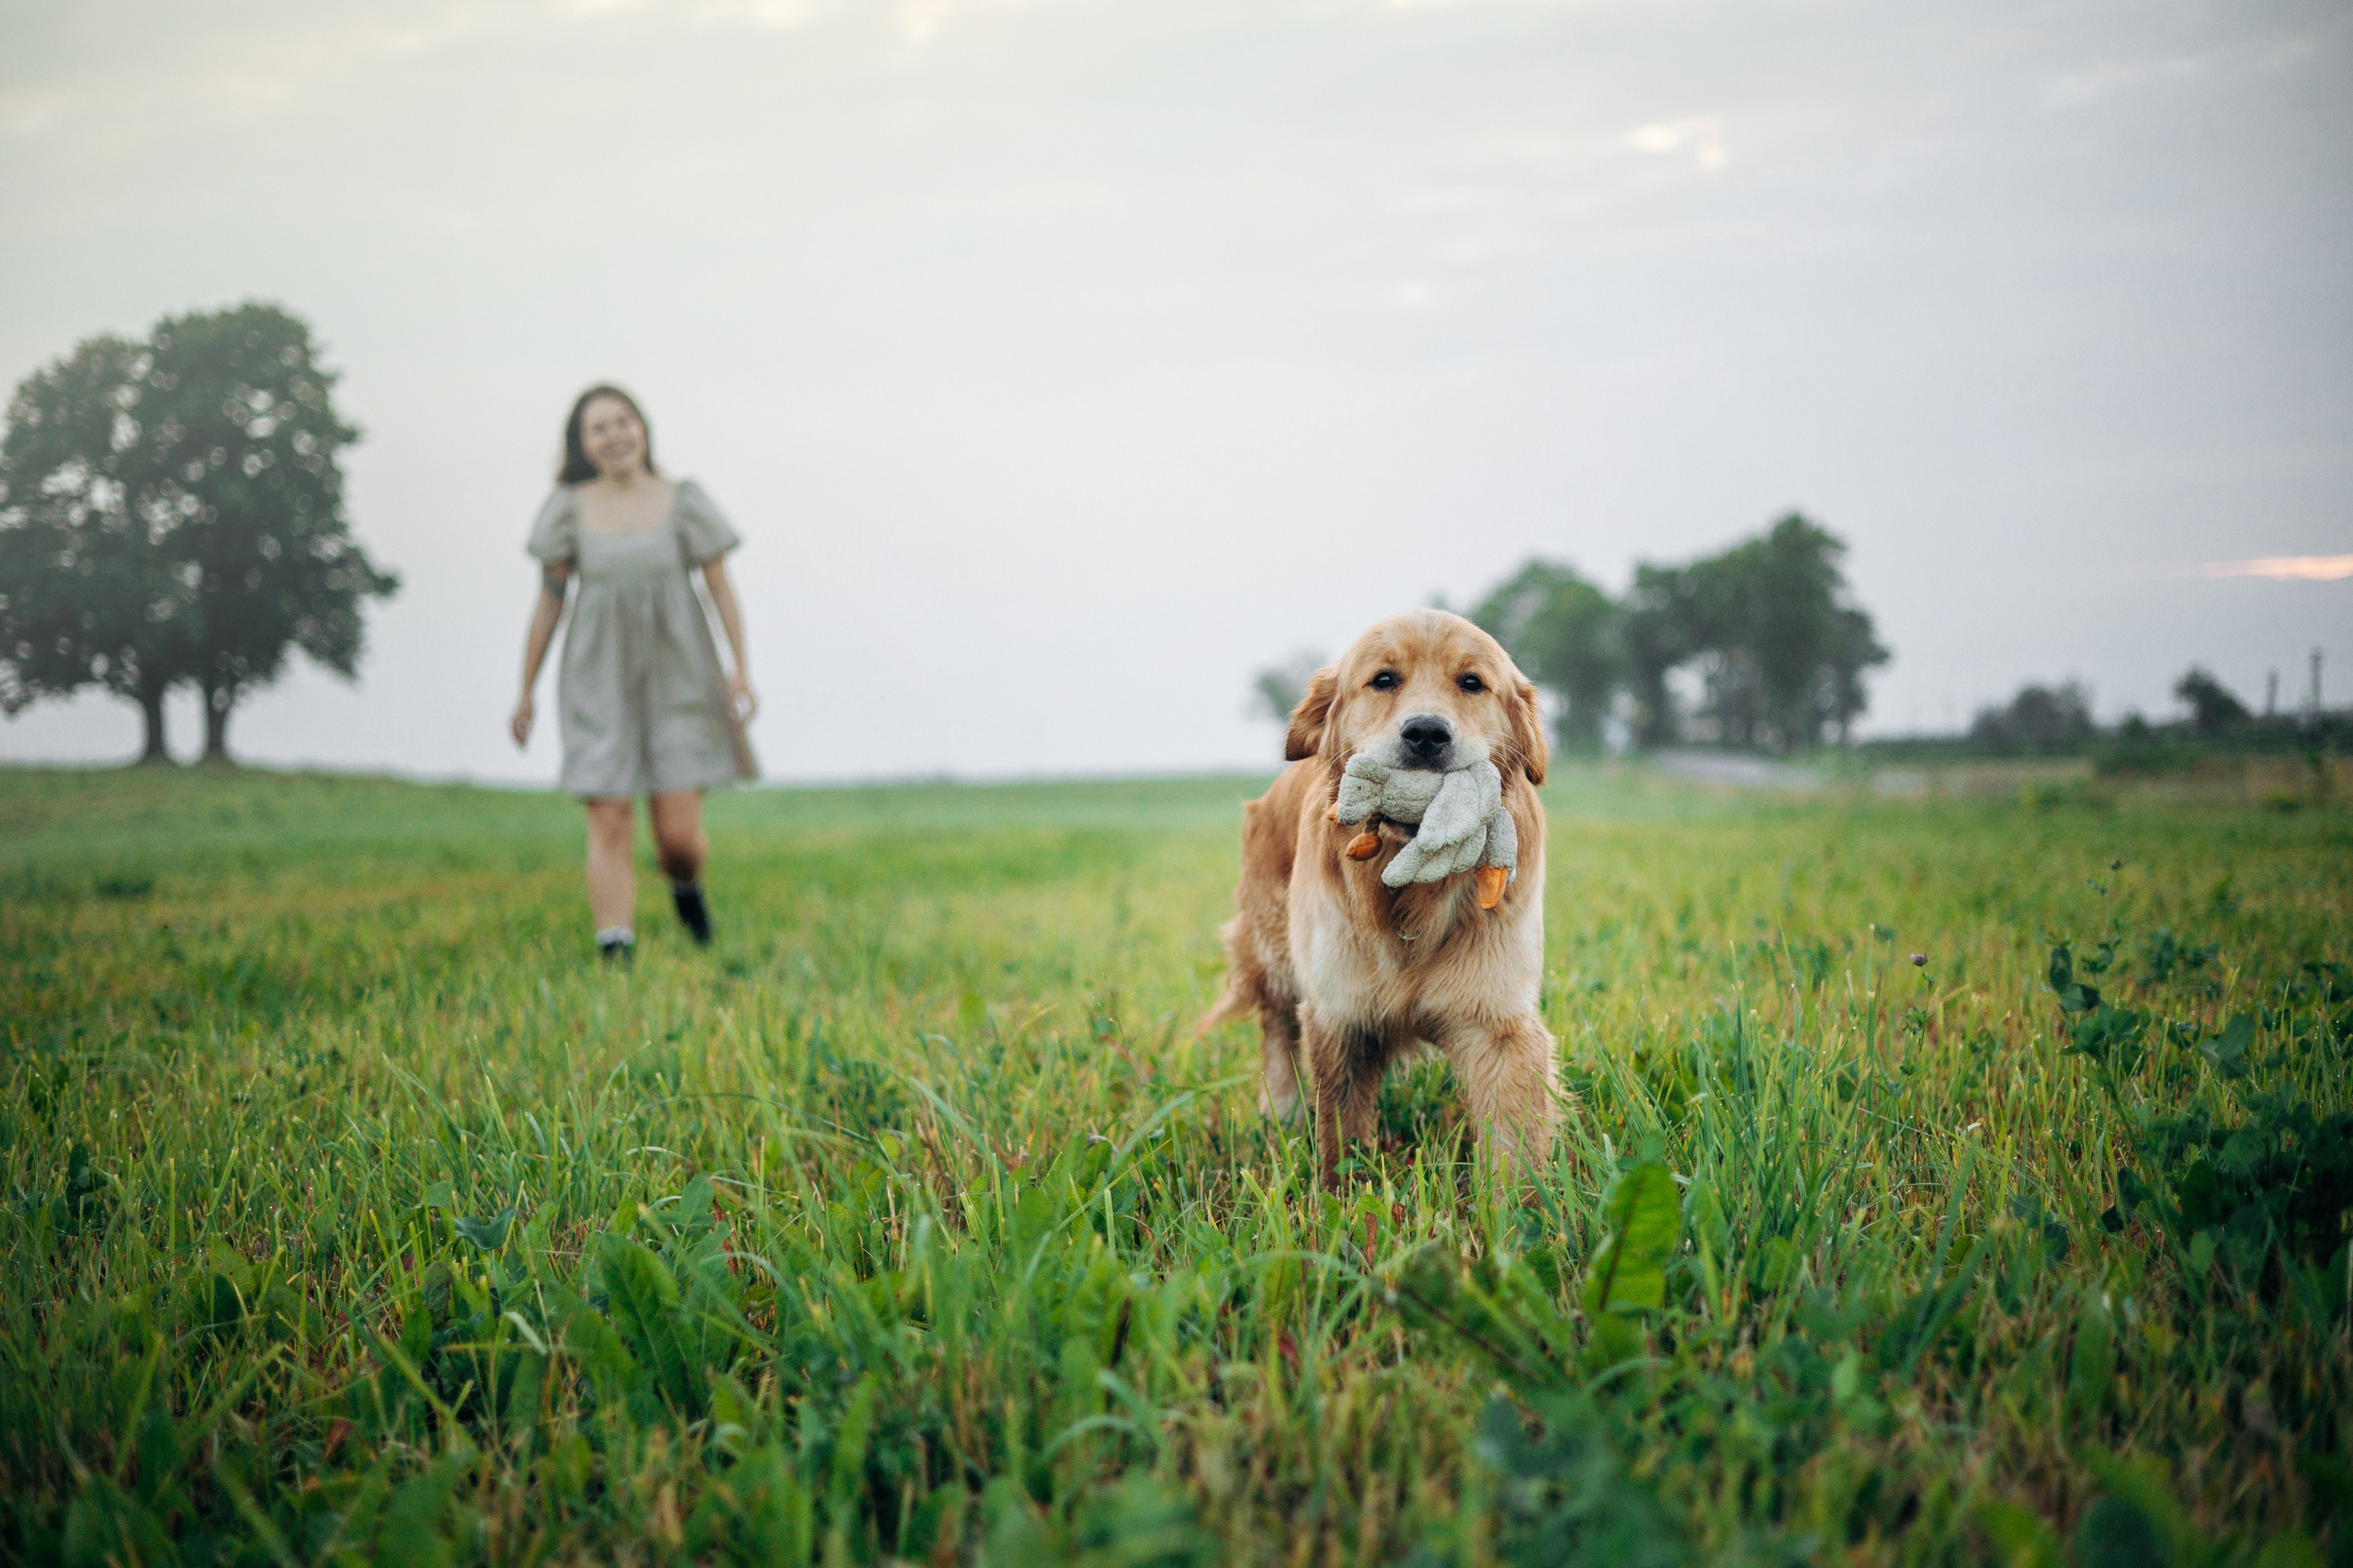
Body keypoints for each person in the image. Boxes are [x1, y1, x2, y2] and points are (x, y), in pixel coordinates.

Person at [510, 386, 757, 961]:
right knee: (611, 815)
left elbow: (720, 587)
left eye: (623, 422)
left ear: (642, 429)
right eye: (599, 427)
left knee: (676, 838)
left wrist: (740, 671)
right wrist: (524, 692)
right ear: (582, 443)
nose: (615, 435)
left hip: (681, 676)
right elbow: (548, 603)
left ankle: (684, 884)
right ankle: (615, 948)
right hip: (598, 678)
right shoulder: (568, 509)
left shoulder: (684, 499)